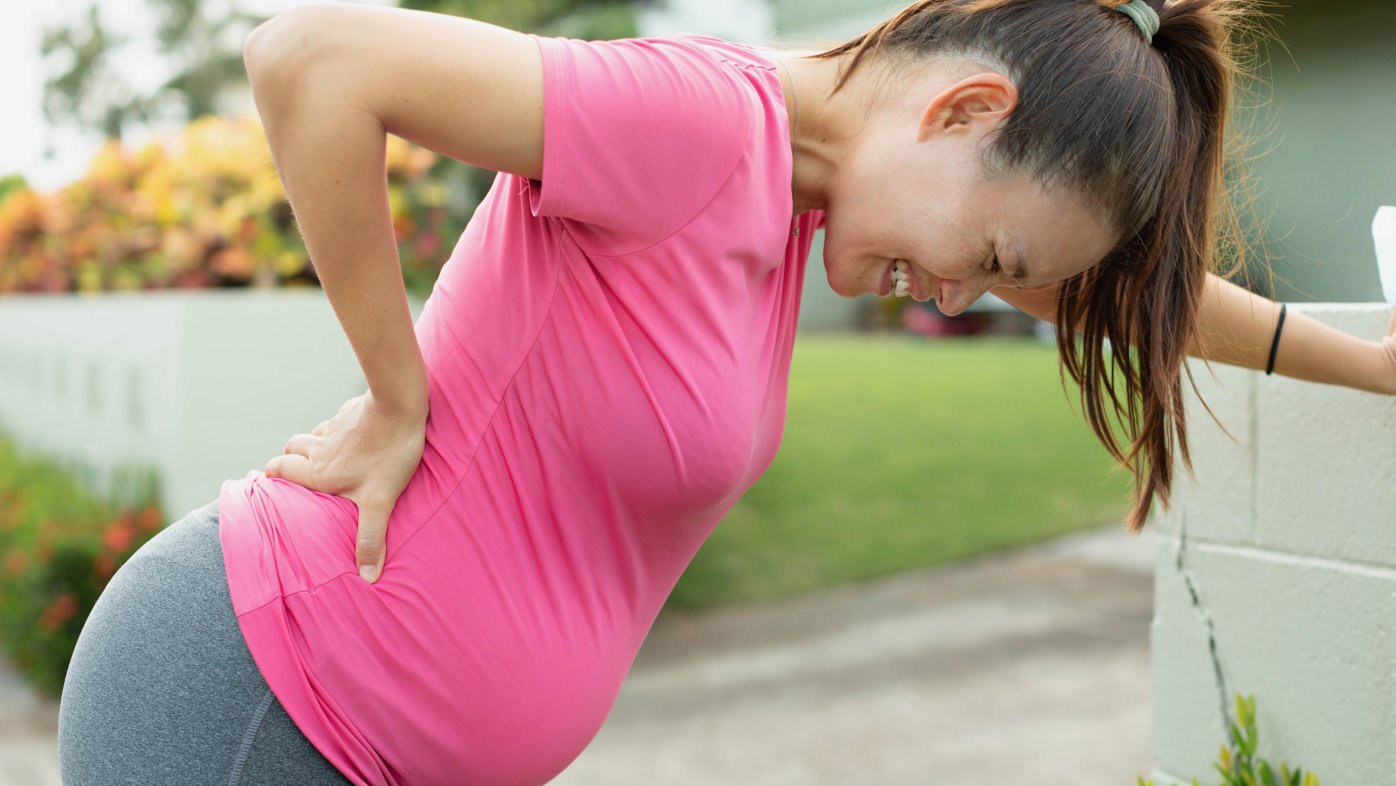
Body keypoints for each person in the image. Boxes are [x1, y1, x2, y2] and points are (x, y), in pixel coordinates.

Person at [57, 0, 1396, 784]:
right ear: (959, 111)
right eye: (986, 256)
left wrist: (1373, 361)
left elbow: (1128, 308)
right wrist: (392, 388)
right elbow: (313, 60)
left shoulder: (792, 198)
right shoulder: (699, 123)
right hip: (258, 696)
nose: (955, 293)